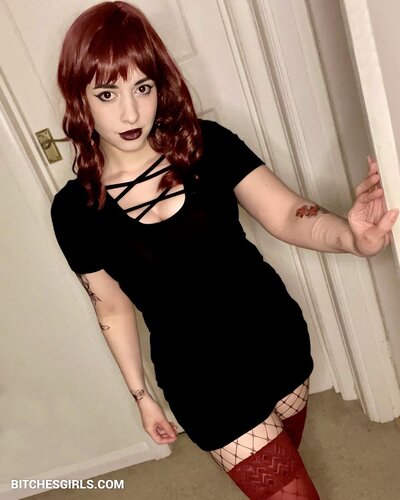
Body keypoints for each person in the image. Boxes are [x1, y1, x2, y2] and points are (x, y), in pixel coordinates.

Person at [50, 2, 398, 498]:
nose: (130, 113)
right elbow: (111, 306)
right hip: (201, 380)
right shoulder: (75, 210)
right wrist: (141, 396)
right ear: (79, 97)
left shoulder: (206, 146)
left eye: (142, 88)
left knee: (289, 468)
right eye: (107, 93)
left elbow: (287, 214)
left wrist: (352, 238)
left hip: (274, 338)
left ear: (160, 86)